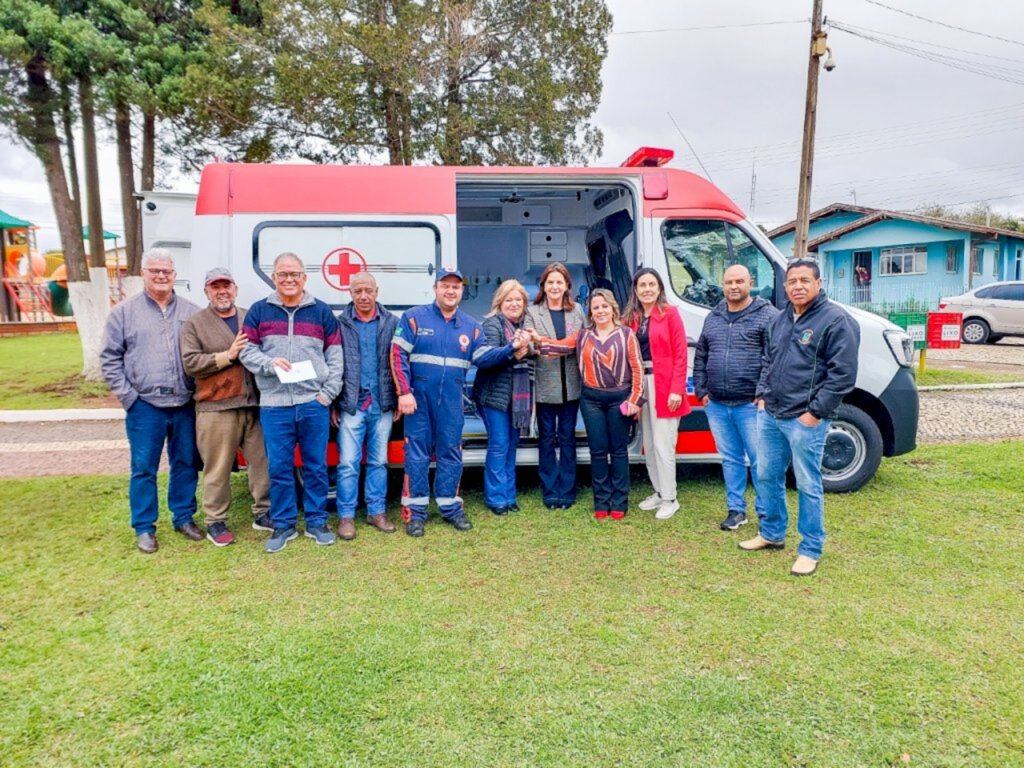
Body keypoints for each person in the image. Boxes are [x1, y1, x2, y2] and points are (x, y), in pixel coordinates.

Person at [740, 259, 859, 576]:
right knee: (766, 475)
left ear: (819, 283)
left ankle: (810, 548)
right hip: (772, 414)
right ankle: (772, 533)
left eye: (805, 280)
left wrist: (815, 413)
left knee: (807, 484)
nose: (798, 286)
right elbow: (768, 360)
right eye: (792, 281)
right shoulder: (779, 320)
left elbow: (843, 376)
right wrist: (763, 394)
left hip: (805, 419)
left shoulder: (836, 321)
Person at [390, 267, 529, 537]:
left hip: (451, 403)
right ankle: (415, 512)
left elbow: (486, 358)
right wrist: (403, 392)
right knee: (416, 456)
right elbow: (397, 355)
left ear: (461, 291)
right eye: (445, 285)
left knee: (451, 454)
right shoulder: (413, 318)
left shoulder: (471, 326)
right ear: (436, 289)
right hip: (418, 401)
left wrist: (511, 350)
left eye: (456, 286)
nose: (450, 290)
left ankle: (450, 507)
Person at [240, 252, 344, 553]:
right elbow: (247, 352)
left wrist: (327, 394)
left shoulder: (321, 312)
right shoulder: (259, 312)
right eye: (283, 274)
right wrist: (270, 364)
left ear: (304, 278)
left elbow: (335, 357)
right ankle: (284, 525)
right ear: (273, 278)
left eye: (294, 274)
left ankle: (316, 522)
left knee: (316, 465)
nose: (289, 279)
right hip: (274, 404)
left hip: (313, 402)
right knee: (280, 467)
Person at [100, 249, 201, 554]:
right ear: (143, 273)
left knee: (186, 463)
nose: (161, 276)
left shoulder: (191, 312)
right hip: (144, 406)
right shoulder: (123, 313)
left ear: (174, 275)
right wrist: (129, 398)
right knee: (144, 468)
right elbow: (109, 358)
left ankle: (183, 517)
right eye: (154, 270)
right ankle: (144, 527)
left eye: (167, 271)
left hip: (185, 403)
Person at [531, 289, 644, 520]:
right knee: (598, 451)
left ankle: (620, 501)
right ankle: (601, 501)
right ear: (590, 312)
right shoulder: (583, 335)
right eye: (595, 307)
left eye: (604, 306)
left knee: (619, 451)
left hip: (619, 398)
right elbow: (559, 347)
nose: (600, 311)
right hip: (591, 399)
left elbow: (638, 368)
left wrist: (635, 398)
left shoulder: (626, 334)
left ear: (613, 308)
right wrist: (535, 340)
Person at [180, 267, 272, 547]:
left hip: (253, 404)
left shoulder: (249, 317)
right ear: (206, 291)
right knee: (217, 468)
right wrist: (228, 355)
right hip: (216, 407)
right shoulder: (195, 324)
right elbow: (191, 363)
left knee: (261, 464)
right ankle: (215, 521)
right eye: (215, 286)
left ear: (235, 288)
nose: (222, 291)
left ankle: (263, 513)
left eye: (226, 285)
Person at [693, 264, 778, 532]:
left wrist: (763, 392)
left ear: (750, 283)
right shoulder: (714, 316)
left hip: (750, 405)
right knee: (730, 459)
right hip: (717, 404)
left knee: (759, 460)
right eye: (729, 282)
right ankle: (736, 510)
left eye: (739, 281)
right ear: (722, 284)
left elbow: (773, 358)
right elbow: (701, 354)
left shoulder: (768, 316)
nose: (733, 287)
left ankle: (765, 513)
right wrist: (701, 390)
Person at [333, 271, 399, 540]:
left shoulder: (392, 323)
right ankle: (346, 517)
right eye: (357, 291)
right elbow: (334, 366)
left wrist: (397, 396)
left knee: (378, 462)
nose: (363, 296)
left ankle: (376, 512)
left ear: (376, 291)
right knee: (348, 463)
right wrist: (335, 403)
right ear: (350, 293)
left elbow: (399, 363)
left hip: (381, 404)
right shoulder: (340, 324)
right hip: (352, 405)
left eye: (368, 290)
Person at [623, 268, 689, 520]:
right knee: (648, 444)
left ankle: (670, 498)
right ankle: (659, 491)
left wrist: (676, 390)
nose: (647, 289)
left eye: (652, 284)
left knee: (663, 445)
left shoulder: (670, 314)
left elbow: (681, 354)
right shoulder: (632, 317)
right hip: (641, 384)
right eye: (642, 285)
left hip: (664, 385)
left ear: (659, 287)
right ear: (636, 290)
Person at [524, 263, 585, 510]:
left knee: (568, 438)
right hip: (545, 385)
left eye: (559, 282)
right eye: (550, 282)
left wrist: (547, 344)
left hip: (571, 386)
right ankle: (551, 491)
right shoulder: (532, 312)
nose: (555, 286)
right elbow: (531, 347)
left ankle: (568, 490)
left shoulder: (578, 310)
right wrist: (551, 346)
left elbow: (580, 342)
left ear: (567, 285)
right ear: (544, 286)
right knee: (547, 439)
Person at [471, 279, 533, 516]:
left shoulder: (525, 326)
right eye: (509, 300)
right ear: (500, 302)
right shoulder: (492, 325)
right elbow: (485, 358)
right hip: (493, 397)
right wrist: (512, 349)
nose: (514, 304)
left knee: (511, 446)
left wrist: (531, 347)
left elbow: (530, 355)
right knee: (499, 446)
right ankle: (496, 498)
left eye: (518, 299)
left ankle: (509, 496)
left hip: (516, 400)